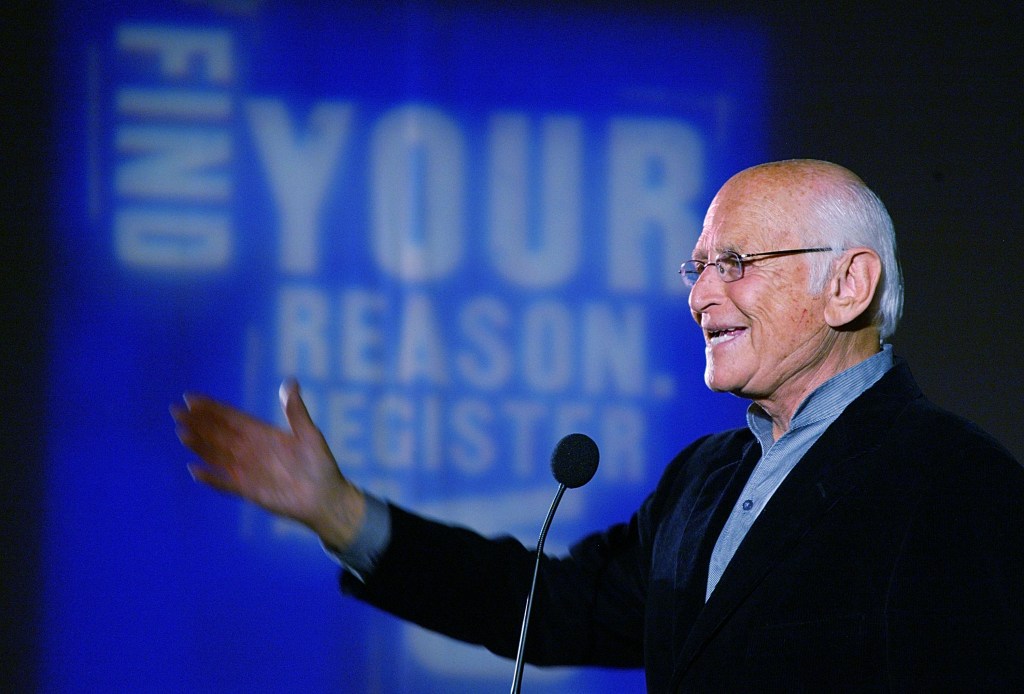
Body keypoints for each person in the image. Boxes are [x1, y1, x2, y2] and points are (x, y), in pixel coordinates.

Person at [172, 159, 1024, 691]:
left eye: (735, 263)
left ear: (849, 285)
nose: (699, 294)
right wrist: (341, 514)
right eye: (695, 268)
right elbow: (553, 607)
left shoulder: (953, 484)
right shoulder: (704, 479)